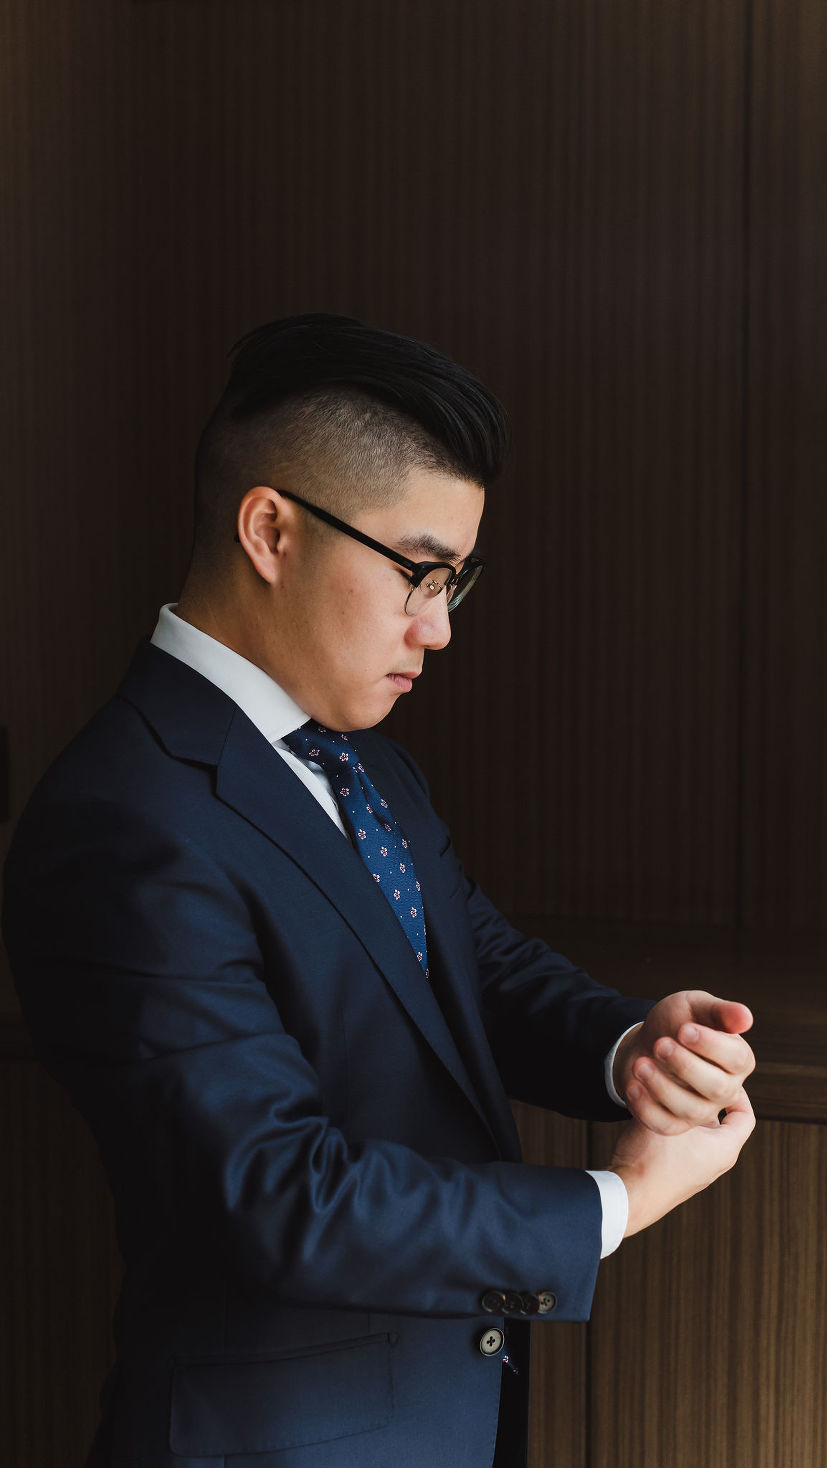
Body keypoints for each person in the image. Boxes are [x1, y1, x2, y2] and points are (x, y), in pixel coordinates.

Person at [2, 314, 756, 1468]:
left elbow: (469, 959)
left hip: (437, 1416)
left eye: (457, 581)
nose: (438, 627)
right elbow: (275, 1191)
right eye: (418, 572)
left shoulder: (357, 751)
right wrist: (616, 1200)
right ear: (270, 530)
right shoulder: (120, 816)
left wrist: (629, 1048)